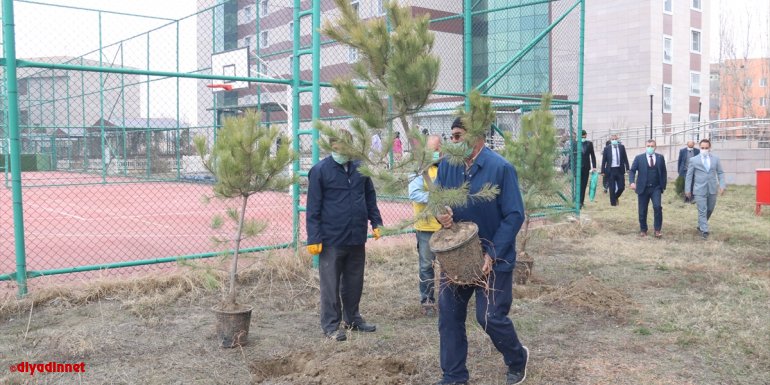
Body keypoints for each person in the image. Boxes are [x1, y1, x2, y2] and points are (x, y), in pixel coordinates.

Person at [433, 117, 528, 385]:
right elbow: (437, 199)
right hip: (458, 257)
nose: (453, 141)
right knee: (449, 314)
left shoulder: (501, 168)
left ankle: (517, 358)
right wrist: (442, 214)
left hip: (493, 258)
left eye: (457, 136)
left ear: (476, 136)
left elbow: (513, 215)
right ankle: (453, 376)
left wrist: (492, 253)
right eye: (452, 136)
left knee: (489, 317)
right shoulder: (448, 167)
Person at [306, 129, 383, 341]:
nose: (343, 152)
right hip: (332, 238)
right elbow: (313, 207)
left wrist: (376, 222)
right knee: (330, 284)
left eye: (346, 147)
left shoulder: (360, 168)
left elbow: (370, 196)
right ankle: (331, 325)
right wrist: (314, 238)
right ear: (332, 147)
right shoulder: (320, 170)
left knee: (354, 281)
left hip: (356, 236)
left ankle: (353, 319)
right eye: (338, 148)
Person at [408, 135, 442, 316]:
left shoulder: (446, 167)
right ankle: (428, 301)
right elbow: (414, 193)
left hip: (446, 226)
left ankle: (448, 299)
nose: (436, 152)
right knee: (426, 266)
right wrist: (437, 198)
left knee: (448, 266)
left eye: (438, 149)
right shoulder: (419, 170)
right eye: (432, 149)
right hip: (426, 227)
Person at [685, 139, 726, 240]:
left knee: (710, 209)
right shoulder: (694, 160)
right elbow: (689, 176)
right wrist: (687, 189)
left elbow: (720, 173)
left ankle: (701, 224)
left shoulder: (715, 159)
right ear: (699, 148)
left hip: (712, 189)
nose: (704, 150)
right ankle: (704, 230)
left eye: (706, 148)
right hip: (699, 189)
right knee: (702, 210)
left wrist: (722, 185)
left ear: (709, 148)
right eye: (702, 148)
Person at [628, 140, 667, 238]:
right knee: (642, 210)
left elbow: (663, 172)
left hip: (656, 188)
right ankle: (643, 229)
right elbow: (632, 171)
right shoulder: (639, 158)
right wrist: (632, 182)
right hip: (643, 188)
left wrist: (663, 185)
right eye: (648, 146)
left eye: (652, 146)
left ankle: (657, 230)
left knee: (657, 207)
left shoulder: (660, 158)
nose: (650, 147)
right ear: (645, 146)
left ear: (655, 147)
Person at [600, 134, 629, 206]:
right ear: (610, 140)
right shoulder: (607, 148)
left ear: (617, 140)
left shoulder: (622, 147)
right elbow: (604, 160)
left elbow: (625, 158)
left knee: (621, 187)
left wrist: (628, 168)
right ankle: (613, 204)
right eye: (612, 139)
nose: (614, 141)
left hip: (620, 169)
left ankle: (615, 197)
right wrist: (602, 171)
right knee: (612, 188)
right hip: (610, 170)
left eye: (615, 139)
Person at [578, 130, 597, 208]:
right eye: (581, 136)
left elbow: (592, 155)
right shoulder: (576, 143)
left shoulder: (589, 144)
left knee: (584, 185)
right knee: (578, 185)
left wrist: (594, 166)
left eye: (584, 136)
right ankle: (576, 201)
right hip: (578, 167)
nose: (583, 138)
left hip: (586, 167)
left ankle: (581, 202)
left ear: (586, 135)